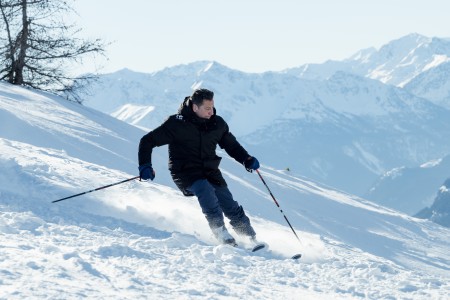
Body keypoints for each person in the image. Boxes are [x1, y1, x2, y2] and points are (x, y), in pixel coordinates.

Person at [138, 88, 260, 245]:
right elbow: (147, 141)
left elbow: (231, 145)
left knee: (229, 204)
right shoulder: (177, 123)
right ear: (195, 107)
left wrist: (246, 159)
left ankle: (251, 238)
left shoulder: (217, 123)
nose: (211, 112)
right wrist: (145, 165)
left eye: (212, 107)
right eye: (207, 108)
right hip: (185, 172)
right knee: (205, 189)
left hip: (210, 171)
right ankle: (220, 232)